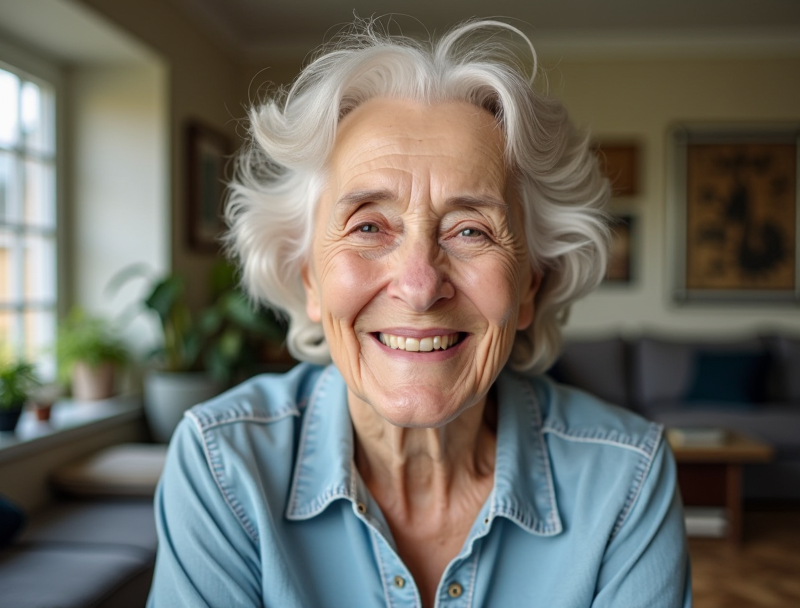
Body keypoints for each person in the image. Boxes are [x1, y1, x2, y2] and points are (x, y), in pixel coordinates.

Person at [148, 19, 690, 608]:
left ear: (531, 282)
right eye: (369, 227)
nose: (420, 285)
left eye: (471, 230)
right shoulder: (223, 466)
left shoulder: (625, 479)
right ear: (308, 276)